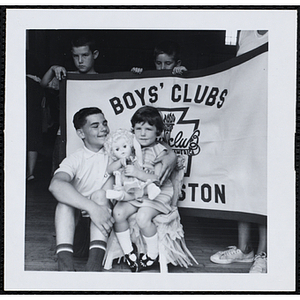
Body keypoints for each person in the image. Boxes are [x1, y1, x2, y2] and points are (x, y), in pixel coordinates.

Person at [210, 30, 268, 273]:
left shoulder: (284, 25)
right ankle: (245, 250)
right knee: (241, 180)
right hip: (243, 119)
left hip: (268, 118)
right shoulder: (245, 32)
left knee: (264, 184)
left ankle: (264, 254)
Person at [48, 107, 115, 271]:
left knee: (100, 196)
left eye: (104, 123)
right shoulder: (76, 158)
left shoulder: (118, 150)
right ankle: (65, 266)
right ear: (81, 133)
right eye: (95, 126)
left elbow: (151, 140)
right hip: (78, 234)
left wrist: (169, 156)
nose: (103, 129)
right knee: (64, 204)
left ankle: (94, 266)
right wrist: (91, 208)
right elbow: (55, 185)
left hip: (110, 231)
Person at [111, 106, 175, 272]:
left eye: (148, 129)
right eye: (138, 129)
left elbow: (158, 180)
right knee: (118, 213)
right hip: (135, 193)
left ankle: (152, 254)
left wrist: (138, 173)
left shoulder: (162, 152)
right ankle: (129, 253)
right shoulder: (129, 148)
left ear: (158, 133)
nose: (143, 134)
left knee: (142, 217)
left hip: (156, 195)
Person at [40, 35, 100, 174]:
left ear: (95, 54)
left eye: (85, 55)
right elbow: (44, 83)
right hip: (65, 135)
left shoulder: (104, 80)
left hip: (92, 135)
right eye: (76, 56)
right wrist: (52, 69)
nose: (80, 61)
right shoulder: (65, 77)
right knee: (62, 175)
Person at [104, 128, 162, 201]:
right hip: (126, 188)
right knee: (125, 194)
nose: (122, 151)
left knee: (146, 186)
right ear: (112, 152)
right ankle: (119, 195)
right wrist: (120, 162)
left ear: (131, 145)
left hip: (138, 184)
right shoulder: (117, 164)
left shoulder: (135, 159)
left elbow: (138, 149)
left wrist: (133, 136)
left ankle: (150, 190)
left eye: (125, 146)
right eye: (117, 149)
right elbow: (109, 170)